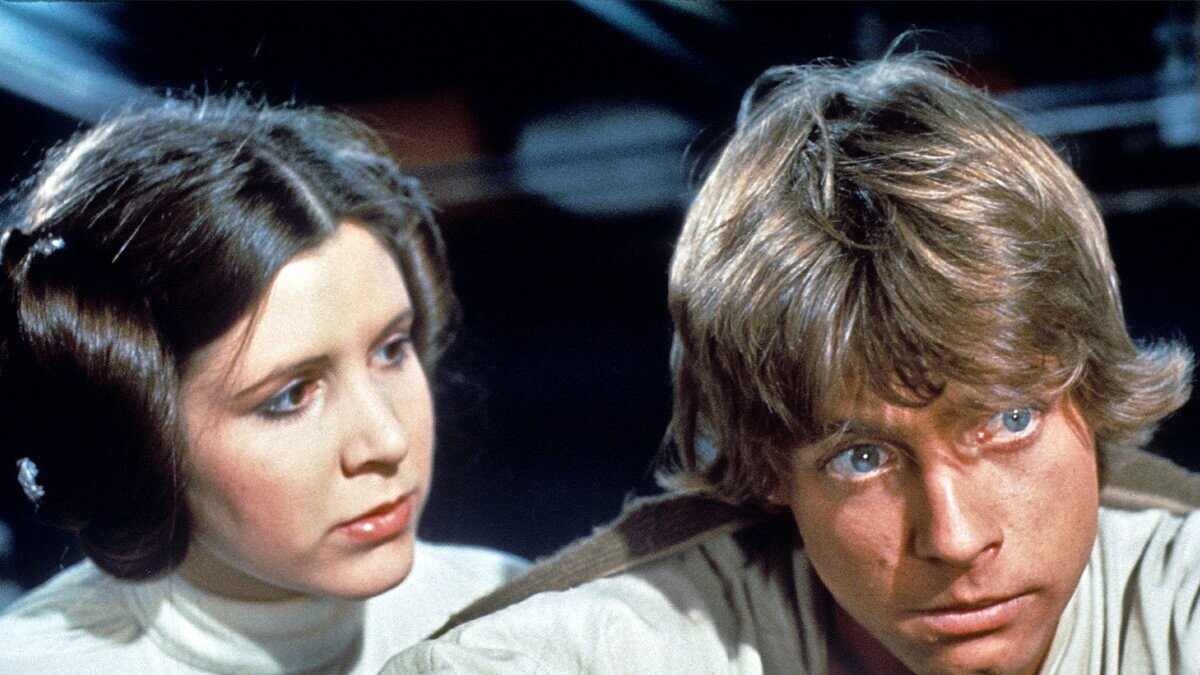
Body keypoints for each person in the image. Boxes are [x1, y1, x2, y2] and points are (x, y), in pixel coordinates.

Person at [387, 53, 1200, 673]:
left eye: (1007, 420)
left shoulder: (1176, 601)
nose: (953, 537)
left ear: (1092, 394)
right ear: (774, 470)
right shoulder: (640, 643)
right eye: (862, 457)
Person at [0, 94, 525, 672]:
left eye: (391, 350)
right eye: (291, 396)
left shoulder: (518, 619)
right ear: (139, 437)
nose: (387, 441)